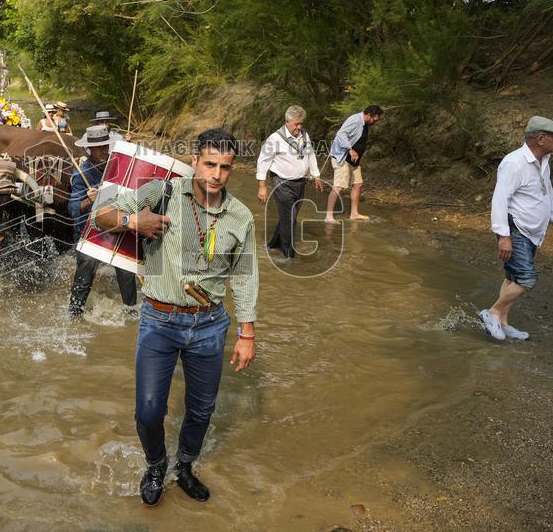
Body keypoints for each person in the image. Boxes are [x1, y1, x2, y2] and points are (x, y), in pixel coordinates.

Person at [94, 128, 258, 507]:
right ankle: (156, 464)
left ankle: (184, 466)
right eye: (209, 164)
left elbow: (245, 276)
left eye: (225, 167)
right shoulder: (162, 193)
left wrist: (247, 333)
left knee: (201, 410)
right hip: (159, 320)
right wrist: (133, 222)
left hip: (210, 325)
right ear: (194, 161)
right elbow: (102, 214)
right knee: (148, 412)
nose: (216, 174)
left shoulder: (240, 216)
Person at [480, 116, 553, 341]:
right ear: (541, 138)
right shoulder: (514, 163)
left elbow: (547, 189)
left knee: (512, 276)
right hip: (516, 228)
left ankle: (502, 322)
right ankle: (493, 312)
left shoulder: (543, 161)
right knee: (526, 279)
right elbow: (500, 199)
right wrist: (503, 236)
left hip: (532, 231)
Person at [67, 125, 138, 317]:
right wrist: (88, 200)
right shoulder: (82, 174)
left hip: (114, 227)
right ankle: (74, 315)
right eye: (99, 148)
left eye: (106, 147)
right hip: (90, 232)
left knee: (126, 271)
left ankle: (131, 315)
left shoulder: (114, 166)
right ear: (90, 149)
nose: (104, 152)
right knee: (85, 275)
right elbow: (72, 209)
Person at [255, 105, 324, 259]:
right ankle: (289, 255)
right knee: (290, 219)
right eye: (296, 124)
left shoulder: (304, 135)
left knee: (289, 216)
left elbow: (310, 154)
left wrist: (316, 176)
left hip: (300, 183)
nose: (299, 127)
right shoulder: (275, 139)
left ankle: (273, 244)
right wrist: (262, 186)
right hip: (282, 183)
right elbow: (263, 161)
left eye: (301, 124)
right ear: (287, 122)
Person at [325, 105, 384, 222]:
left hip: (354, 160)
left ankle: (354, 214)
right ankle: (328, 216)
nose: (375, 122)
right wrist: (350, 150)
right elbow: (341, 134)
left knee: (358, 184)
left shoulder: (364, 123)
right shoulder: (355, 120)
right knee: (339, 186)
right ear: (368, 115)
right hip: (342, 157)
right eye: (374, 119)